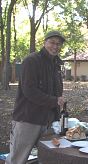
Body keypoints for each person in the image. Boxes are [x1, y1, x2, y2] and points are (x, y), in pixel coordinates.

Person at [6, 31, 66, 164]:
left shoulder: (56, 64)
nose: (55, 46)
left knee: (47, 157)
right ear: (44, 43)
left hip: (49, 120)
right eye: (52, 42)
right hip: (28, 119)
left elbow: (56, 90)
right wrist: (54, 100)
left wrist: (57, 114)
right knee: (18, 159)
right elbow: (29, 91)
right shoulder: (31, 60)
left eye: (58, 44)